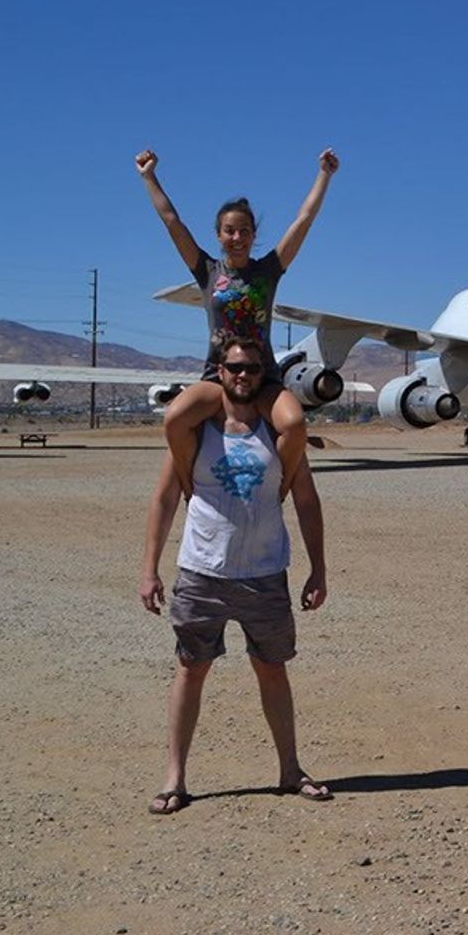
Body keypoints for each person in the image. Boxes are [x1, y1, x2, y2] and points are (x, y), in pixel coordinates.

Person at [139, 339, 332, 814]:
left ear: (262, 374)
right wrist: (149, 570)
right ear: (218, 372)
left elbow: (305, 501)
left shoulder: (280, 435)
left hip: (265, 573)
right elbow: (164, 500)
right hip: (202, 571)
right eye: (233, 367)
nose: (242, 375)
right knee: (190, 668)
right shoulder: (193, 432)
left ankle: (289, 770)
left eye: (250, 368)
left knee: (272, 669)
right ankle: (175, 779)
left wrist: (318, 567)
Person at [135, 147, 339, 495]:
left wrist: (324, 175)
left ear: (253, 234)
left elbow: (303, 220)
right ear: (218, 235)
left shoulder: (269, 271)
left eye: (244, 231)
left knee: (295, 424)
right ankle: (190, 489)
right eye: (229, 231)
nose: (237, 238)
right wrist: (149, 177)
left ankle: (279, 492)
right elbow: (172, 220)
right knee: (174, 419)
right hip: (217, 374)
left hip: (265, 378)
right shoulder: (207, 271)